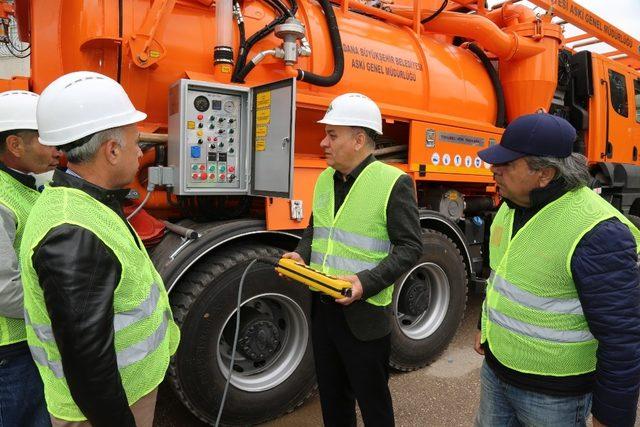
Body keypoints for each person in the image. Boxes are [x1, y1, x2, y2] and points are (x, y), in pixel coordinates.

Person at [19, 71, 180, 427]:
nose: (140, 152)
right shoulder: (72, 233)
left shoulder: (85, 202)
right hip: (103, 411)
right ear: (111, 150)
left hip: (124, 392)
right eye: (136, 142)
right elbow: (87, 364)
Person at [474, 113, 640, 427]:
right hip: (497, 371)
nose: (494, 170)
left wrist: (611, 416)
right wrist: (485, 327)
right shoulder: (511, 206)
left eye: (507, 164)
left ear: (545, 174)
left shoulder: (597, 232)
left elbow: (621, 338)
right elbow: (502, 276)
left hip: (553, 396)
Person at [283, 93, 422, 426]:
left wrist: (364, 283)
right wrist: (300, 256)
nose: (323, 142)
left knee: (374, 405)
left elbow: (410, 247)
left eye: (332, 135)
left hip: (365, 317)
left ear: (359, 139)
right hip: (323, 311)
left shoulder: (393, 183)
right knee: (333, 402)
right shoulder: (324, 179)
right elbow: (316, 230)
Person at [0, 90, 60, 427]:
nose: (57, 150)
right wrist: (65, 305)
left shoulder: (23, 185)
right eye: (47, 140)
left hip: (26, 341)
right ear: (15, 145)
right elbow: (4, 291)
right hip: (11, 350)